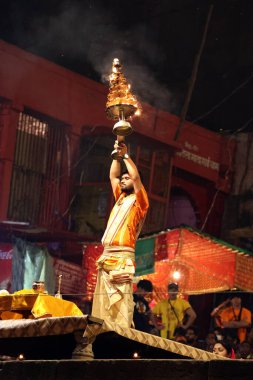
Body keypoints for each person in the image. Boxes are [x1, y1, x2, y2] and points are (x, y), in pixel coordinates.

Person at [91, 140, 149, 328]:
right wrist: (116, 155)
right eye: (123, 178)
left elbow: (136, 177)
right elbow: (112, 176)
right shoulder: (121, 198)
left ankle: (121, 331)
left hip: (122, 257)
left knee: (120, 297)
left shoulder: (140, 202)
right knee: (102, 299)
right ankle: (101, 329)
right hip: (107, 255)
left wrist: (125, 155)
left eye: (127, 178)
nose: (123, 180)